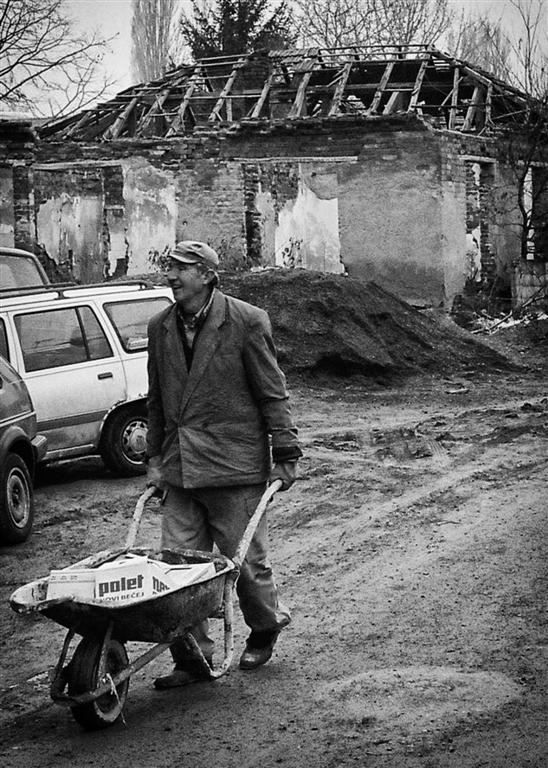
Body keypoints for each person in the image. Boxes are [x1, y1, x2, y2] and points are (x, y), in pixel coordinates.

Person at [146, 240, 302, 689]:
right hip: (180, 470)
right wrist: (154, 459)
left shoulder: (246, 321)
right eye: (169, 267)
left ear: (208, 275)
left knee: (245, 565)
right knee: (176, 571)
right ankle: (193, 657)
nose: (171, 276)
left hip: (234, 466)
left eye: (181, 268)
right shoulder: (160, 326)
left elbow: (272, 392)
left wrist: (286, 453)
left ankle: (265, 628)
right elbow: (156, 399)